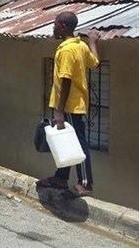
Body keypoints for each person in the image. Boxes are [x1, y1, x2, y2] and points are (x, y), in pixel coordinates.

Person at [37, 12, 100, 197]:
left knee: (79, 143)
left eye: (55, 24)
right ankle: (60, 178)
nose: (53, 27)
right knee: (66, 142)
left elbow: (66, 80)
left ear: (63, 26)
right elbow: (95, 63)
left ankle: (85, 183)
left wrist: (59, 110)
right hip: (72, 104)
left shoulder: (66, 50)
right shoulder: (79, 46)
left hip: (69, 105)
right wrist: (93, 43)